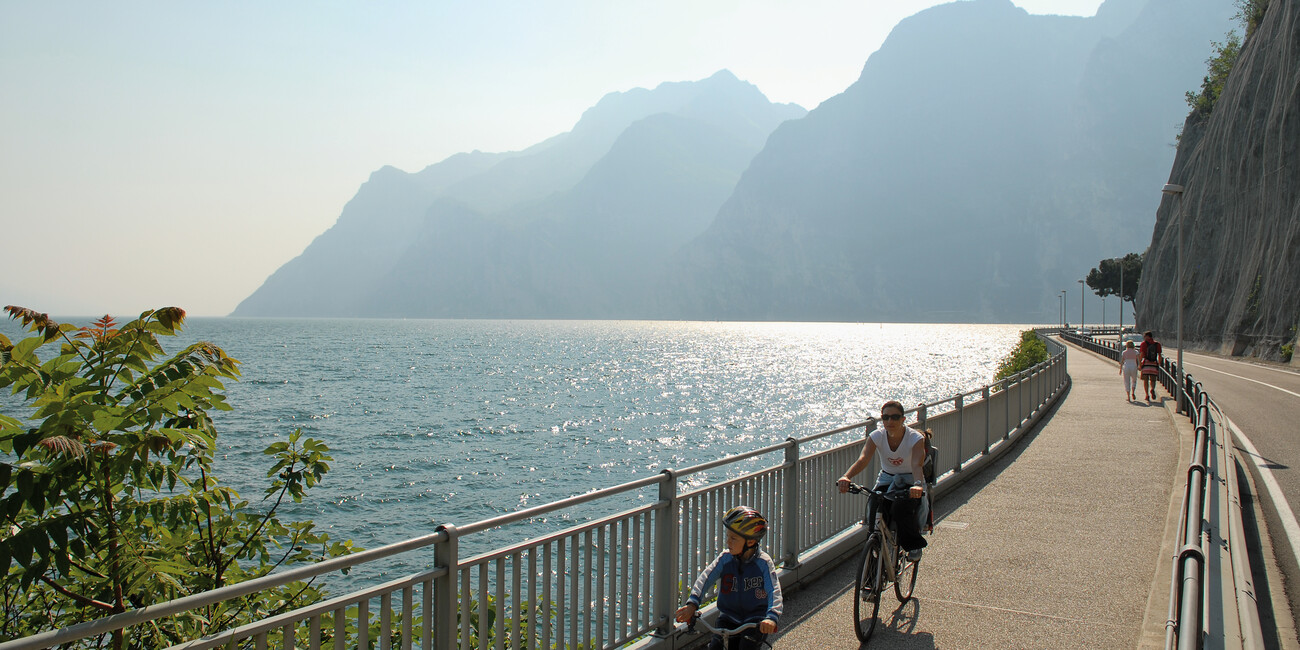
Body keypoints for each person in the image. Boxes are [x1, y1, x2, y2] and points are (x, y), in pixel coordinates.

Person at [675, 506, 783, 649]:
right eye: (727, 537)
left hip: (755, 621)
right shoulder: (725, 559)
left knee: (746, 647)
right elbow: (705, 579)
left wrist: (771, 617)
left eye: (733, 538)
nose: (728, 542)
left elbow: (774, 591)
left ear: (750, 542)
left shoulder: (764, 563)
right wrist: (692, 604)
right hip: (728, 618)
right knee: (715, 647)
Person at [836, 400, 928, 560]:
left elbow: (917, 464)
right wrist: (846, 476)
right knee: (874, 507)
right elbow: (863, 459)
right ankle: (874, 556)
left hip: (910, 479)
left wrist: (918, 485)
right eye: (885, 418)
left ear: (903, 419)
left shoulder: (915, 437)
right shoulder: (877, 436)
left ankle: (914, 546)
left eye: (894, 417)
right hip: (887, 478)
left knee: (900, 508)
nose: (889, 421)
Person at [1138, 331, 1163, 401]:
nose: (1144, 338)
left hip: (1146, 363)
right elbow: (1160, 355)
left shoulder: (1143, 344)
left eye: (1144, 336)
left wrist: (1140, 364)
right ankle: (1152, 389)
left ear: (1147, 336)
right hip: (1154, 364)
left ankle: (1147, 395)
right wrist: (1159, 364)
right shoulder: (1157, 344)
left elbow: (1142, 354)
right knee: (1153, 379)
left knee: (1145, 380)